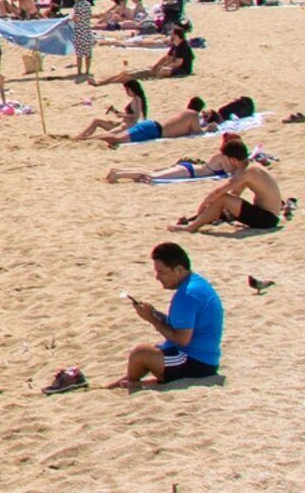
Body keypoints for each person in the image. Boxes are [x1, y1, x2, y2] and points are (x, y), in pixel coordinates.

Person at [117, 241, 223, 388]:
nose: (157, 277)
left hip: (196, 363)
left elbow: (182, 339)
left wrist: (152, 319)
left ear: (178, 270)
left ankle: (131, 383)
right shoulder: (196, 283)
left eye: (161, 272)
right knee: (149, 353)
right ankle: (123, 383)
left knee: (140, 353)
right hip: (205, 359)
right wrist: (154, 313)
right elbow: (181, 326)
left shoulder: (187, 294)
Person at [169, 136, 287, 235]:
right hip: (270, 217)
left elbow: (218, 192)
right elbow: (236, 193)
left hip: (267, 219)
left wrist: (202, 207)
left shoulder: (246, 172)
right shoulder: (252, 167)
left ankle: (191, 227)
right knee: (222, 200)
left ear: (232, 160)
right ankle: (199, 221)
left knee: (221, 198)